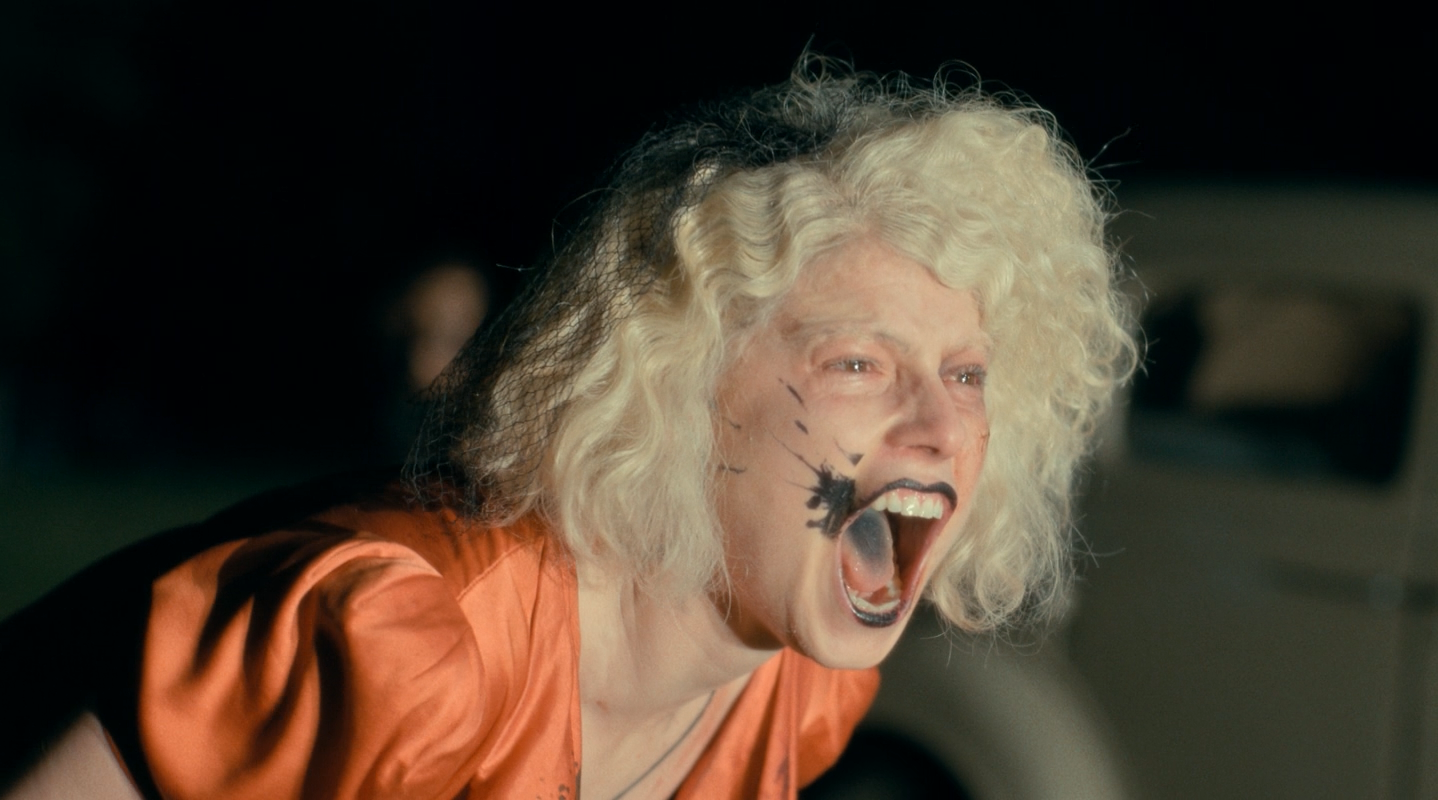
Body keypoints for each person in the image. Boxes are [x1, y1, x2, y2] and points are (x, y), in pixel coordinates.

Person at [0, 58, 1136, 800]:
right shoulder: (409, 642)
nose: (942, 424)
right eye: (858, 362)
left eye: (969, 374)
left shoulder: (798, 689)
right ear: (680, 384)